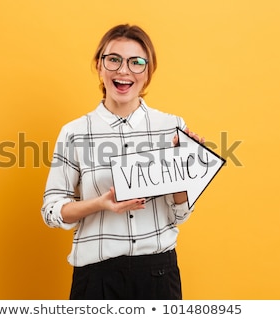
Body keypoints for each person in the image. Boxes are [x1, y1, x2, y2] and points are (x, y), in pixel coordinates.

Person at [41, 24, 204, 300]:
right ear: (99, 66)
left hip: (158, 276)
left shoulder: (172, 127)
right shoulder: (74, 132)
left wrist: (184, 172)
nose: (124, 70)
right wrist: (100, 204)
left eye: (136, 62)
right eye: (113, 59)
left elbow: (180, 215)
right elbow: (51, 211)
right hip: (95, 277)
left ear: (148, 72)